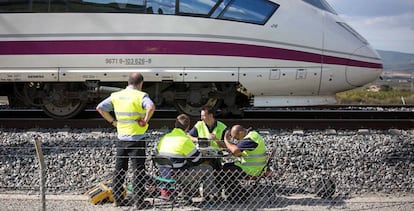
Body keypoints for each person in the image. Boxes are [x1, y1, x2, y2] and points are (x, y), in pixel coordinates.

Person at [96, 72, 155, 209]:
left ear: (128, 83)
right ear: (140, 83)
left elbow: (100, 108)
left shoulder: (116, 95)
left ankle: (118, 200)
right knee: (138, 171)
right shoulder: (141, 96)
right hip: (137, 139)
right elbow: (151, 107)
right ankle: (139, 202)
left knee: (119, 170)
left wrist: (113, 122)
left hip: (121, 139)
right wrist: (145, 120)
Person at [157, 114, 215, 200]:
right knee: (208, 168)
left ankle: (186, 193)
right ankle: (208, 196)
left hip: (163, 174)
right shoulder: (184, 139)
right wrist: (202, 153)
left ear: (175, 124)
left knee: (185, 166)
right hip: (177, 175)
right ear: (187, 127)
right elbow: (197, 160)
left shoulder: (165, 137)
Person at [221, 125, 267, 203]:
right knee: (226, 166)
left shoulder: (250, 139)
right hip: (254, 166)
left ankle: (240, 196)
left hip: (252, 170)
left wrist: (226, 140)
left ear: (241, 132)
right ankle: (239, 194)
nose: (236, 140)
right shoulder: (252, 135)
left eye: (237, 138)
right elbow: (239, 152)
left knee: (225, 171)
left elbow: (235, 151)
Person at [187, 105, 227, 170]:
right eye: (201, 116)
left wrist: (216, 140)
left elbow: (227, 146)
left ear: (210, 115)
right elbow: (188, 136)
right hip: (202, 156)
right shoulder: (199, 124)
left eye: (203, 116)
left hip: (216, 158)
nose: (201, 118)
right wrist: (198, 140)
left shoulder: (222, 127)